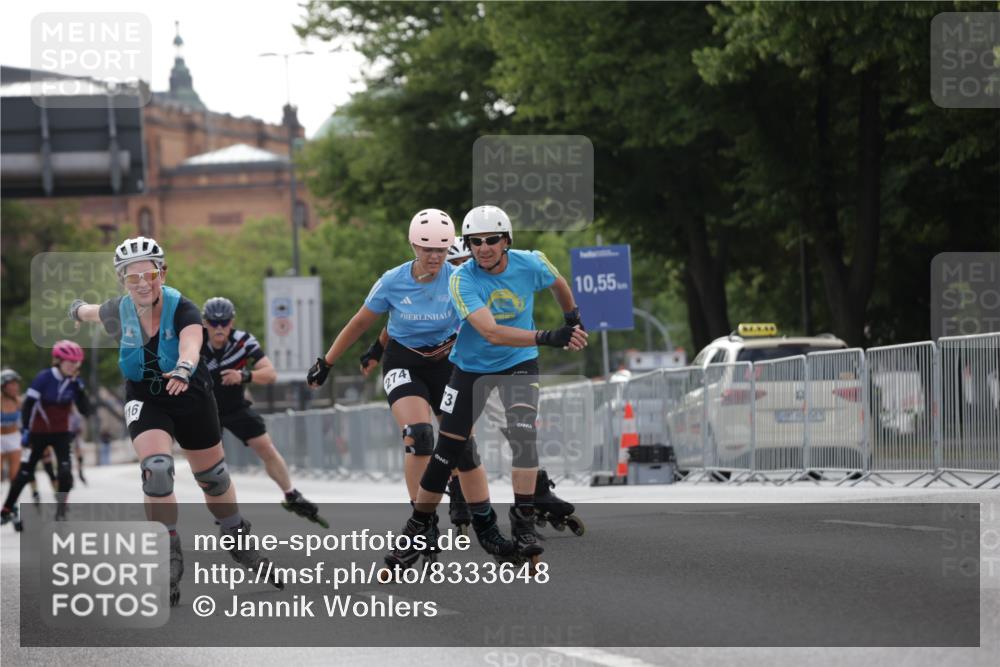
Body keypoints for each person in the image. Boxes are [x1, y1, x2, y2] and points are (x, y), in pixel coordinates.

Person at [67, 236, 281, 606]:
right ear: (123, 282)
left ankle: (237, 538)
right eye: (132, 279)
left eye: (149, 274)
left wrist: (183, 367)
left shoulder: (183, 308)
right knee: (158, 469)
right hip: (147, 397)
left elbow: (191, 343)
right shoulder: (119, 309)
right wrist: (76, 309)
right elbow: (92, 310)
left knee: (213, 481)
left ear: (162, 272)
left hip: (190, 394)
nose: (142, 284)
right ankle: (168, 551)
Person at [307, 209, 504, 569]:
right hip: (405, 363)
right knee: (419, 436)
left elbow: (484, 327)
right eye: (427, 249)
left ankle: (486, 524)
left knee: (463, 446)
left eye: (442, 250)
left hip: (447, 363)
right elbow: (361, 322)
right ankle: (423, 521)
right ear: (413, 245)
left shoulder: (460, 280)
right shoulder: (392, 281)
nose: (434, 257)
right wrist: (327, 362)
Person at [394, 205, 588, 570]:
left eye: (491, 240)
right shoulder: (461, 279)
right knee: (449, 450)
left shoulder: (531, 263)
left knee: (523, 434)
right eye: (475, 241)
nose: (483, 248)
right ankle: (419, 523)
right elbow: (491, 332)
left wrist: (573, 319)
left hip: (519, 362)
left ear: (507, 241)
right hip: (470, 368)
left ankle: (524, 520)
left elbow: (559, 283)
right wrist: (550, 335)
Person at [358, 235, 475, 534]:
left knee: (461, 440)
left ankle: (464, 487)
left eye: (464, 262)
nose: (458, 267)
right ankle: (425, 517)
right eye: (455, 262)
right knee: (420, 435)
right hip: (418, 362)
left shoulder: (471, 286)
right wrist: (376, 348)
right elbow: (404, 319)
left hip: (460, 363)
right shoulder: (432, 282)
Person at [200, 296, 327, 528]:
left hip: (235, 405)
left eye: (225, 322)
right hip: (205, 409)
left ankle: (291, 494)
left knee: (266, 447)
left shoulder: (243, 341)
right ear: (205, 322)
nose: (219, 328)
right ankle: (225, 511)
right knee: (213, 464)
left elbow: (270, 374)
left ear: (232, 321)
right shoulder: (194, 340)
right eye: (213, 323)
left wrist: (244, 375)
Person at [1, 341, 91, 528]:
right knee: (24, 474)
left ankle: (61, 510)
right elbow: (28, 406)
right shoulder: (44, 377)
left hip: (61, 434)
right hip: (38, 433)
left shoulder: (74, 383)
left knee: (65, 474)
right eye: (69, 362)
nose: (73, 366)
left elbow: (85, 410)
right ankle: (7, 510)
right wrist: (26, 430)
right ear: (58, 361)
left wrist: (81, 390)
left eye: (77, 363)